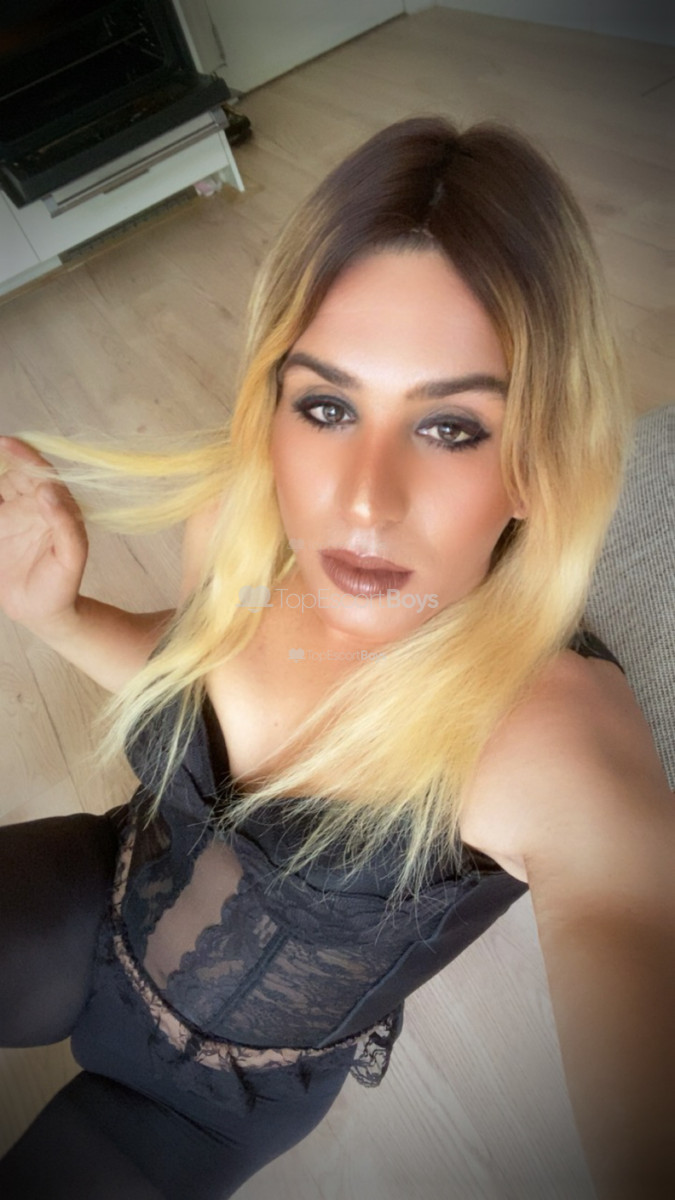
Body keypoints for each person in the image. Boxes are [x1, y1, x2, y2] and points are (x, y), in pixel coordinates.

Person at [0, 116, 672, 1200]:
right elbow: (190, 667)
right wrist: (56, 616)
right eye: (325, 405)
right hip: (92, 895)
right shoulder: (243, 539)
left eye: (450, 427)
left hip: (209, 1104)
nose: (362, 502)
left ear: (539, 460)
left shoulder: (546, 736)